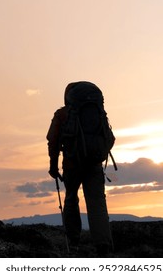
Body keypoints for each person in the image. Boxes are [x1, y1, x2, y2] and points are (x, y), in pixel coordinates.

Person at [46, 81, 114, 256]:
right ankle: (103, 245)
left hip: (71, 165)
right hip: (94, 164)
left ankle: (73, 241)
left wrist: (53, 166)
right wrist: (98, 154)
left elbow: (52, 141)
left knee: (70, 199)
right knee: (97, 202)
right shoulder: (97, 113)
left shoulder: (62, 114)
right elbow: (110, 138)